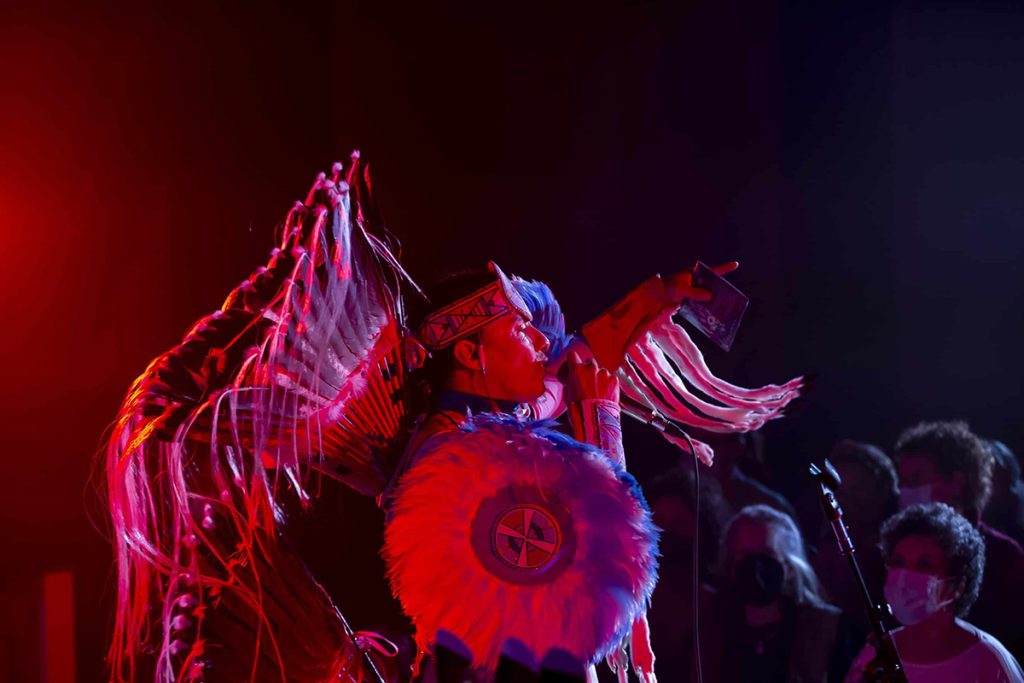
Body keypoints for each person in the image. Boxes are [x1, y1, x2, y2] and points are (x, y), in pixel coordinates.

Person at [103, 156, 803, 682]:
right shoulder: (441, 454)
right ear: (469, 350)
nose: (543, 345)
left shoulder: (507, 427)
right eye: (521, 331)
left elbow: (582, 361)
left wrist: (660, 293)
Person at [844, 503, 1023, 683]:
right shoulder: (877, 656)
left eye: (924, 565)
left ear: (957, 586)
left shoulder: (988, 661)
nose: (904, 577)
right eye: (898, 562)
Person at [893, 420, 1024, 660]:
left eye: (916, 477)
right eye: (902, 481)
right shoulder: (897, 551)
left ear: (957, 481)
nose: (905, 490)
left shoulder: (1005, 556)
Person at [697, 504, 843, 683]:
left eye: (767, 553)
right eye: (745, 554)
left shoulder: (823, 630)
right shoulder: (711, 633)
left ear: (789, 567)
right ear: (731, 563)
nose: (756, 566)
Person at [811, 441, 898, 656]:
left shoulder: (895, 554)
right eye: (841, 490)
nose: (848, 499)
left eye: (859, 489)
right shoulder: (826, 549)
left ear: (882, 492)